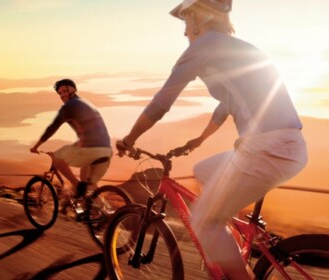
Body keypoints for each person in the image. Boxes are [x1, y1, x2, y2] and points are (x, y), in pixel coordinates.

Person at [116, 0, 307, 279]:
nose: (184, 31)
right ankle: (229, 243)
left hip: (265, 148)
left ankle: (232, 263)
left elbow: (161, 103)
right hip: (286, 146)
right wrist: (198, 140)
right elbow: (226, 105)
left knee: (203, 221)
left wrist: (129, 139)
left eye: (185, 20)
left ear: (197, 17)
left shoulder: (202, 47)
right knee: (204, 171)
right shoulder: (239, 48)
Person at [30, 78, 113, 198]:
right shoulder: (86, 102)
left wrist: (36, 147)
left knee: (57, 158)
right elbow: (91, 130)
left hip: (91, 150)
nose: (62, 95)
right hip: (106, 150)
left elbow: (52, 128)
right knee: (88, 183)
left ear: (73, 89)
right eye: (60, 93)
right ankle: (103, 211)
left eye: (64, 91)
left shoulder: (69, 106)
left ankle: (76, 185)